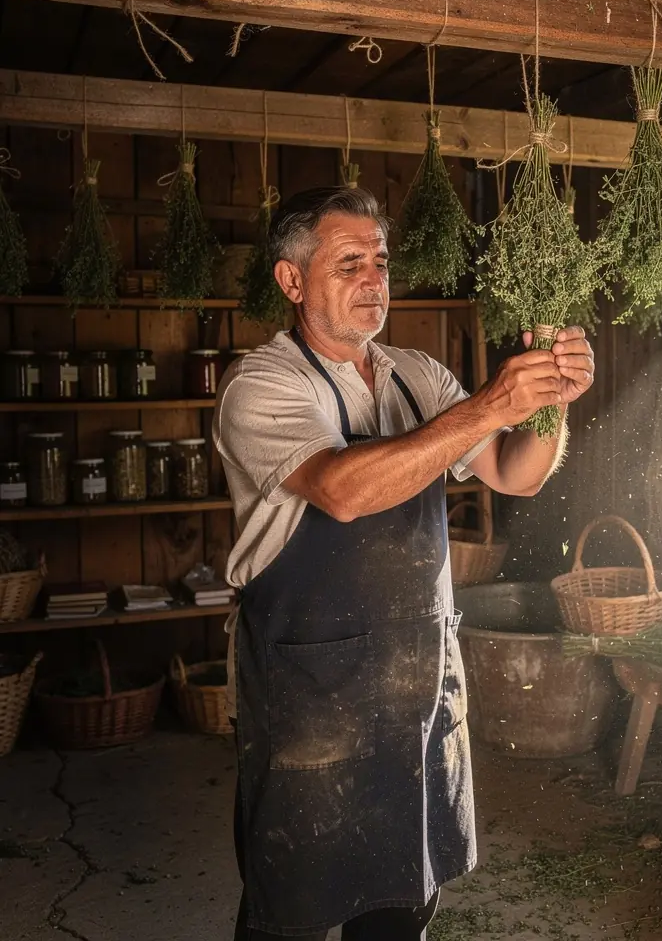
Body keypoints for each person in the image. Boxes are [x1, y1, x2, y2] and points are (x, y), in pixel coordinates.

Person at [214, 186, 596, 940]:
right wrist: (489, 405)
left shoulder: (419, 376)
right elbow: (342, 490)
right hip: (310, 697)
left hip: (414, 683)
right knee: (291, 902)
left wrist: (556, 400)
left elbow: (515, 472)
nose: (373, 280)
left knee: (401, 898)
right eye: (348, 262)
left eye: (381, 262)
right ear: (292, 281)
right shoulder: (261, 384)